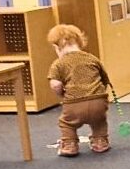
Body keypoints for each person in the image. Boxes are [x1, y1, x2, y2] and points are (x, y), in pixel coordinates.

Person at [46, 24, 112, 157]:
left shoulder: (59, 63)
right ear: (80, 42)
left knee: (67, 123)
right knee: (99, 121)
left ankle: (69, 145)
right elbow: (105, 79)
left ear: (57, 47)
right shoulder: (92, 58)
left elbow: (55, 84)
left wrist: (62, 95)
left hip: (73, 103)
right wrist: (98, 94)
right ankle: (100, 142)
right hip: (98, 102)